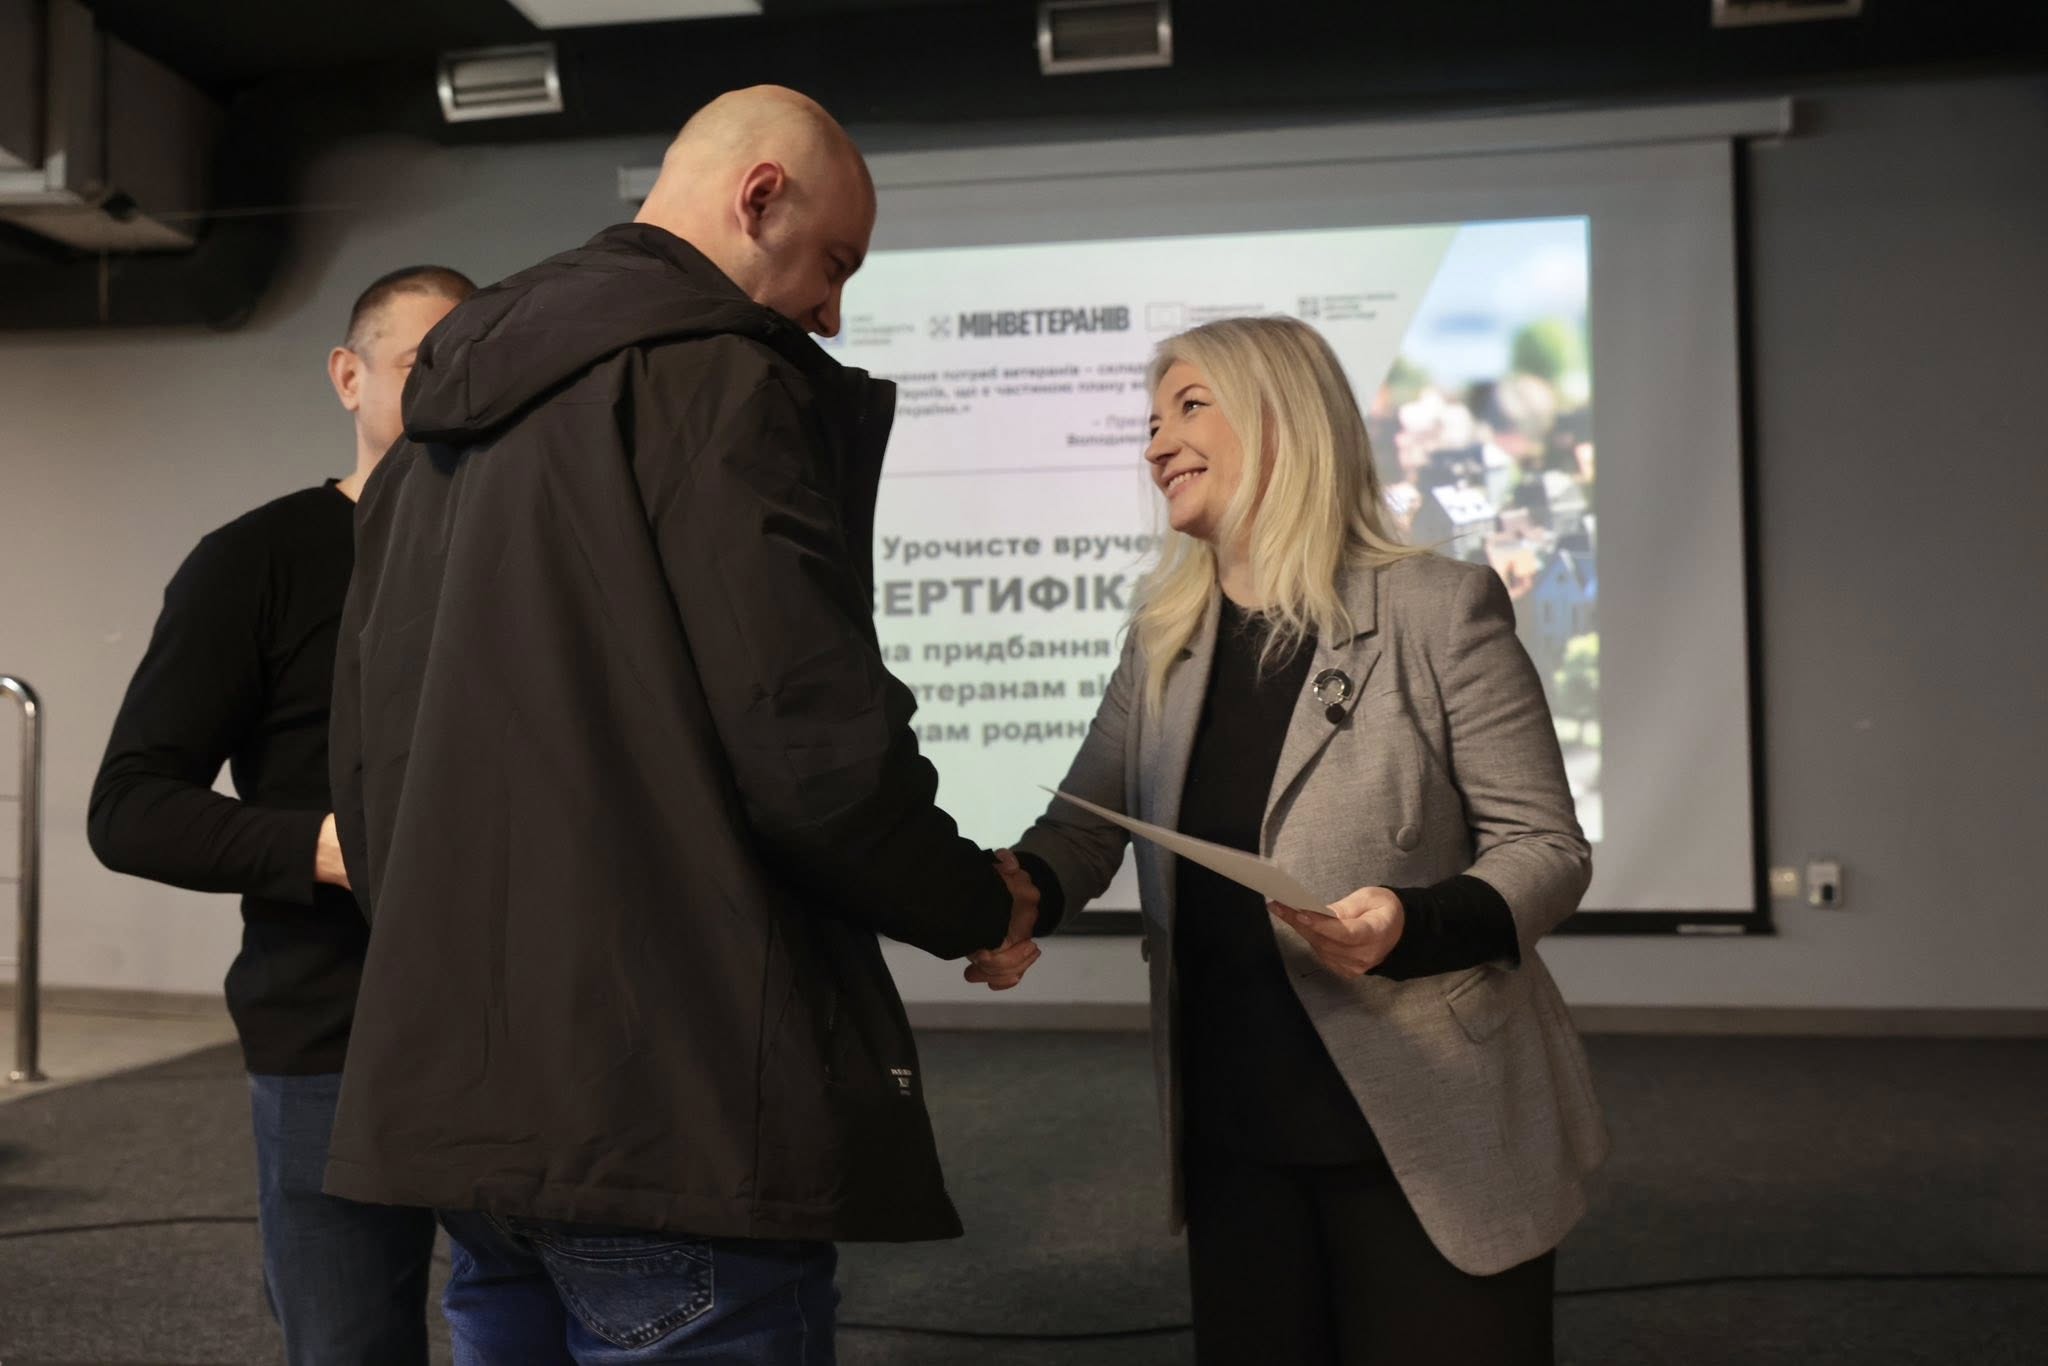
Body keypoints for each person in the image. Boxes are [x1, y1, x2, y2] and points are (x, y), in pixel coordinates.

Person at [323, 86, 1035, 1365]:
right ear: (759, 198)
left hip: (461, 1111)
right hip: (664, 1098)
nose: (831, 312)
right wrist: (976, 903)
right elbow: (808, 749)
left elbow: (370, 766)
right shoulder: (716, 378)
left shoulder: (425, 438)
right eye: (834, 263)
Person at [973, 316, 1608, 1365]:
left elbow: (1544, 846)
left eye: (1188, 407)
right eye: (1150, 421)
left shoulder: (1437, 608)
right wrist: (1018, 897)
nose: (1155, 444)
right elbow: (1081, 828)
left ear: (1283, 421)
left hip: (1427, 1123)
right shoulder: (1162, 638)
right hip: (1235, 1124)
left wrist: (1409, 921)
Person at [88, 263, 477, 1365]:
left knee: (529, 1331)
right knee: (348, 1342)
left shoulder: (528, 556)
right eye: (423, 364)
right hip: (329, 1032)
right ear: (348, 376)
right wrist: (330, 848)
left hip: (518, 1027)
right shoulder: (255, 559)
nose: (453, 389)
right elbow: (130, 805)